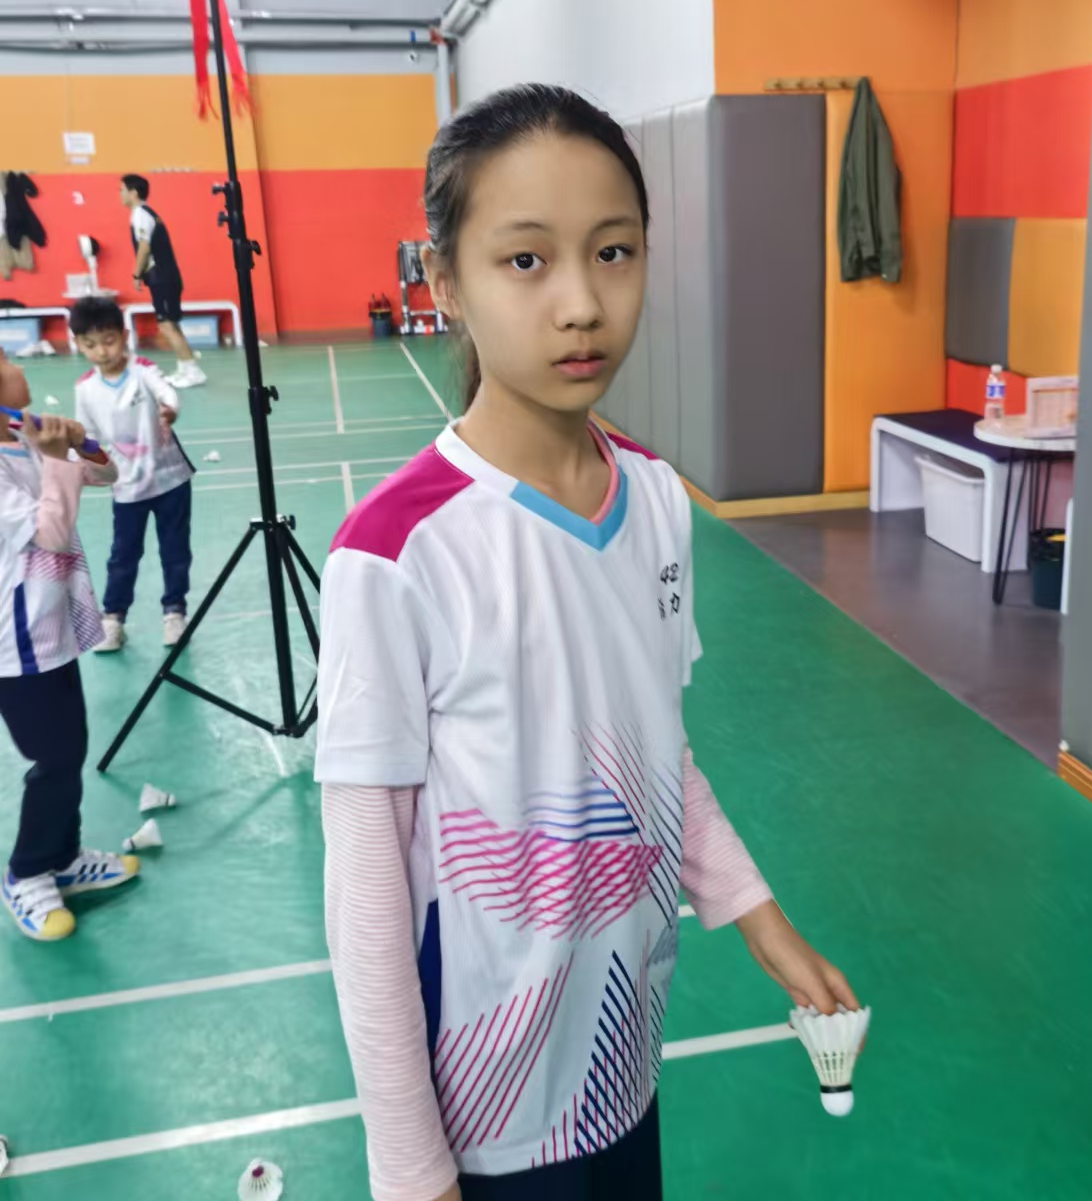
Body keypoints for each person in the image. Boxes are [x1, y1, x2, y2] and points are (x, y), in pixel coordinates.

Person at [316, 84, 860, 1201]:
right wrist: (411, 1168)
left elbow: (655, 748)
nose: (581, 304)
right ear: (443, 282)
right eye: (525, 261)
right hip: (486, 1114)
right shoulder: (394, 553)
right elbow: (366, 888)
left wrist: (754, 911)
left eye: (613, 252)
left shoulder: (654, 497)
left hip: (620, 1054)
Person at [0, 354, 140, 941]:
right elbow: (52, 532)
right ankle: (27, 871)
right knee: (54, 757)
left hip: (52, 629)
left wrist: (82, 447)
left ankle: (62, 858)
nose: (14, 363)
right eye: (2, 359)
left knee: (71, 747)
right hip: (16, 645)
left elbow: (107, 478)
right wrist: (57, 459)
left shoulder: (22, 435)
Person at [72, 297, 194, 651]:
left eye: (108, 341)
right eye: (90, 344)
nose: (101, 351)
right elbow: (85, 435)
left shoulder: (143, 370)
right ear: (78, 344)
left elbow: (167, 393)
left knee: (175, 552)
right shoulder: (85, 388)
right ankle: (113, 619)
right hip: (126, 487)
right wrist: (81, 461)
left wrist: (169, 410)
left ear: (124, 336)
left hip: (170, 480)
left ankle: (174, 613)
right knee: (123, 556)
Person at [119, 174, 207, 389]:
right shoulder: (144, 214)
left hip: (163, 277)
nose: (120, 194)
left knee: (166, 325)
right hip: (163, 277)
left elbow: (144, 247)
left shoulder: (141, 214)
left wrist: (136, 274)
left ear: (133, 193)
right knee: (170, 324)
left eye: (122, 190)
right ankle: (184, 368)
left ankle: (193, 371)